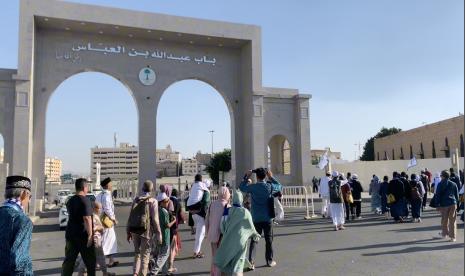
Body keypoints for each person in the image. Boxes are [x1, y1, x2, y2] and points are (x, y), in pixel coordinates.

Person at [239, 168, 282, 269]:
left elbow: (242, 187)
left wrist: (247, 176)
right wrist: (271, 177)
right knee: (269, 240)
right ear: (265, 176)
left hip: (256, 218)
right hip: (268, 218)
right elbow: (279, 186)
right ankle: (269, 261)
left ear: (256, 176)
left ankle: (251, 261)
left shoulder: (253, 187)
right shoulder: (269, 186)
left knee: (254, 240)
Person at [214, 190, 261, 276]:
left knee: (227, 261)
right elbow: (251, 227)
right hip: (241, 241)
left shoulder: (227, 211)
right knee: (238, 263)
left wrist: (226, 233)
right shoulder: (245, 212)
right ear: (241, 200)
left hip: (228, 240)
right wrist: (256, 236)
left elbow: (222, 225)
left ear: (233, 199)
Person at [127, 180, 162, 276]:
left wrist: (128, 232)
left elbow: (130, 216)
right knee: (145, 256)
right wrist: (159, 234)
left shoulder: (136, 199)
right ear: (152, 189)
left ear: (142, 189)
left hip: (134, 229)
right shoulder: (153, 201)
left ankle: (135, 273)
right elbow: (155, 219)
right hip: (146, 231)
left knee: (137, 253)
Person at [0, 176, 33, 275]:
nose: (29, 201)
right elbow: (19, 262)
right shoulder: (22, 220)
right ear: (24, 194)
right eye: (29, 197)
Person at [62, 178, 95, 276]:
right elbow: (87, 218)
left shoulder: (70, 200)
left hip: (71, 234)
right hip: (83, 236)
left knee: (69, 262)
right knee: (90, 263)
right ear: (85, 187)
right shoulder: (85, 200)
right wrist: (90, 235)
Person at [78, 202, 115, 276]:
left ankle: (81, 273)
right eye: (99, 208)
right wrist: (99, 227)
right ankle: (105, 273)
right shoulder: (94, 216)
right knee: (100, 257)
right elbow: (98, 228)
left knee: (85, 257)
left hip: (87, 240)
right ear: (94, 208)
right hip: (95, 240)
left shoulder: (87, 216)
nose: (100, 210)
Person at [205, 186, 231, 276]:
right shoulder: (227, 206)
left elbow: (207, 220)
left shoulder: (212, 204)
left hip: (212, 235)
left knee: (214, 256)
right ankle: (219, 274)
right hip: (222, 236)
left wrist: (207, 232)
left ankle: (213, 272)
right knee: (221, 257)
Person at [149, 193, 176, 275]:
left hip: (157, 235)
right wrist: (174, 220)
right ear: (162, 202)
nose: (168, 202)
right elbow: (167, 225)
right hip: (164, 235)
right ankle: (153, 271)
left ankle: (164, 272)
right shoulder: (164, 212)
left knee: (162, 254)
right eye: (167, 201)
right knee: (164, 255)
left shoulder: (156, 210)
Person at [186, 174, 211, 258]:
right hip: (199, 212)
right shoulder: (206, 190)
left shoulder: (194, 186)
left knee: (200, 233)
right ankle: (196, 252)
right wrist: (205, 215)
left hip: (191, 209)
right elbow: (206, 203)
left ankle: (197, 250)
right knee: (200, 234)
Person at [96, 177, 119, 267]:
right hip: (106, 222)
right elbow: (108, 209)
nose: (112, 185)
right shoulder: (106, 196)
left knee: (108, 241)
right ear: (107, 185)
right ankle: (99, 262)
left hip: (100, 220)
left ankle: (111, 260)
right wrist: (113, 219)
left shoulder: (99, 195)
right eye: (110, 184)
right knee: (106, 242)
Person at [433, 170, 459, 242]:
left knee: (444, 220)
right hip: (453, 203)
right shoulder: (453, 184)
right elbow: (456, 195)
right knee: (452, 221)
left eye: (441, 175)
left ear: (443, 176)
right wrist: (456, 203)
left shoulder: (440, 184)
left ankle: (444, 234)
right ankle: (453, 237)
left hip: (444, 205)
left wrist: (437, 204)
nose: (440, 177)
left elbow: (437, 195)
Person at [168, 188, 184, 274]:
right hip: (173, 227)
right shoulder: (177, 203)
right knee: (172, 247)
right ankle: (170, 266)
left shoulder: (166, 200)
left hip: (165, 226)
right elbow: (181, 216)